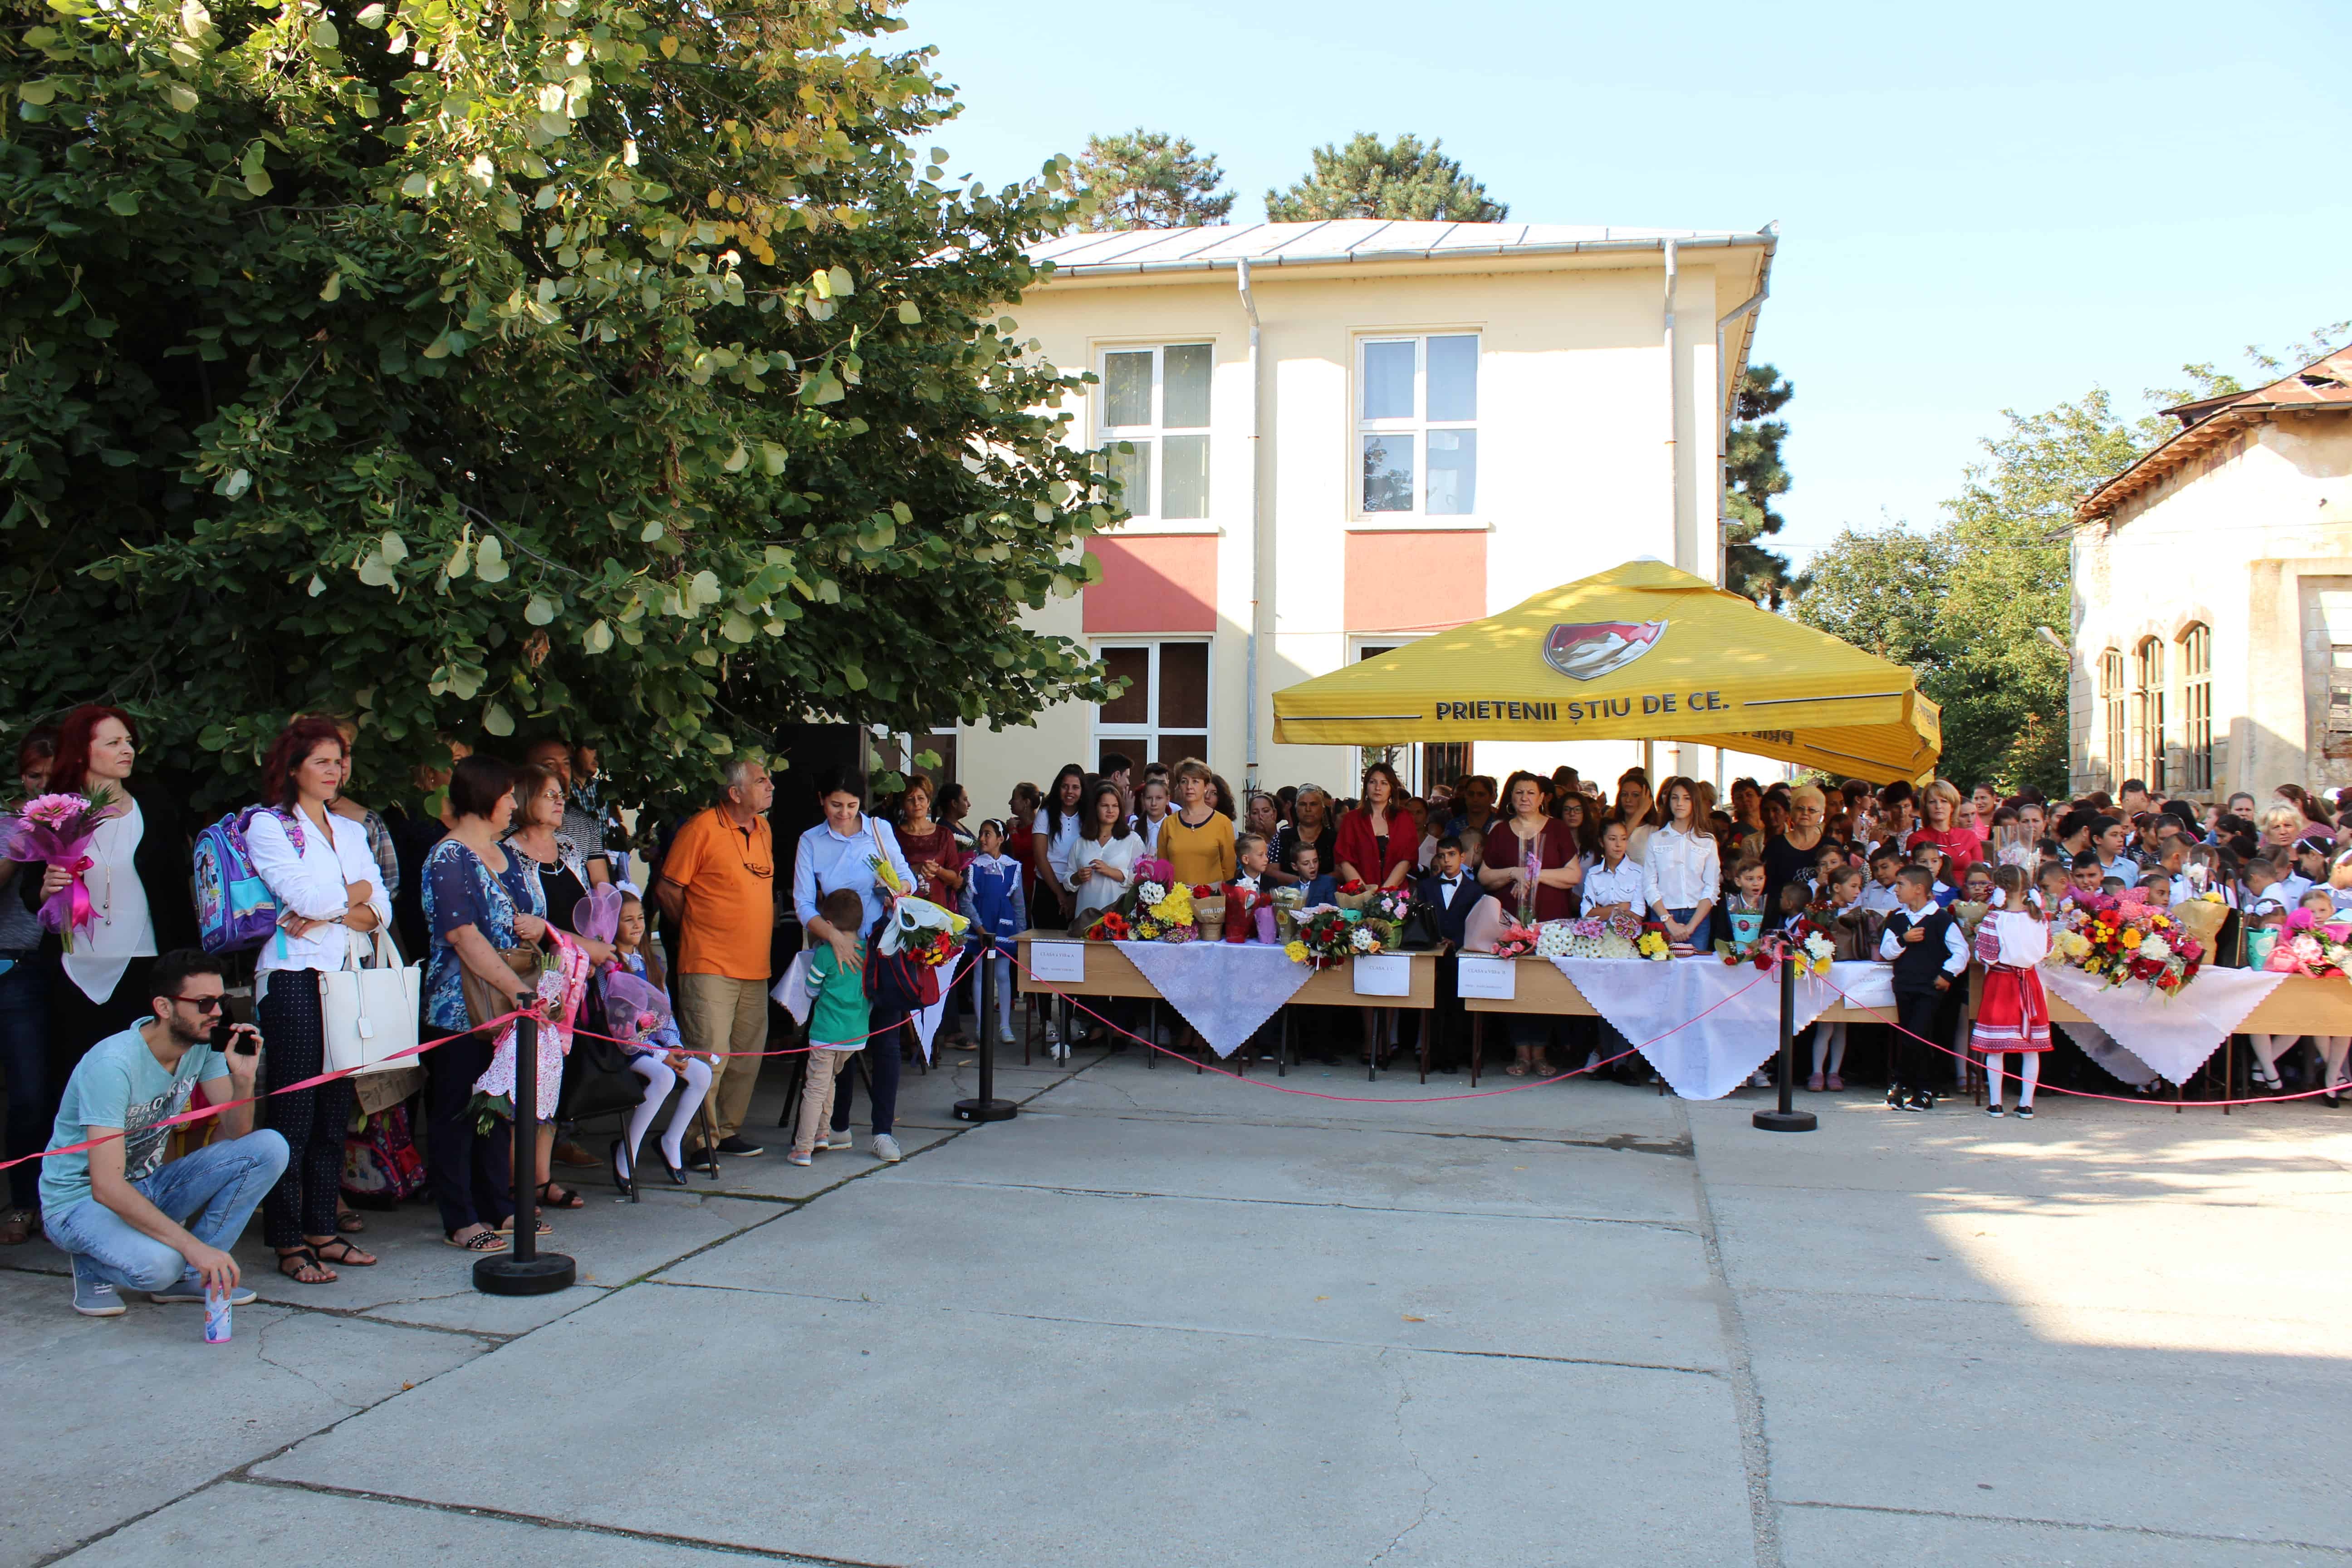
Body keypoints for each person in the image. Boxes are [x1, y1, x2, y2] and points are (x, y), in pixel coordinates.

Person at [39, 949, 288, 1316]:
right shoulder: (113, 1065)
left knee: (269, 1146)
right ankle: (94, 1265)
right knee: (160, 1268)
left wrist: (244, 1079)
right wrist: (193, 1247)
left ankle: (192, 1276)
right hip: (78, 1203)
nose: (217, 1013)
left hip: (145, 1186)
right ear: (164, 1007)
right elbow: (105, 1187)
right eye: (204, 1003)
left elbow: (239, 1131)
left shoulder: (202, 1046)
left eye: (220, 1002)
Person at [246, 716, 390, 1284]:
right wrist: (352, 898)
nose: (335, 771)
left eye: (340, 760)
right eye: (322, 761)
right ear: (294, 767)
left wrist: (340, 905)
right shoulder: (269, 825)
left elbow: (382, 907)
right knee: (294, 1113)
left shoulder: (352, 830)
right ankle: (287, 1239)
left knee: (334, 1112)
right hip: (293, 975)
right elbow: (305, 896)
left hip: (347, 974)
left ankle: (322, 1229)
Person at [36, 706, 200, 1095]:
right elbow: (33, 894)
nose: (127, 750)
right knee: (79, 1081)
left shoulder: (154, 803)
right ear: (81, 752)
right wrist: (48, 888)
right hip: (75, 967)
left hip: (147, 965)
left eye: (129, 741)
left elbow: (176, 890)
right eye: (113, 743)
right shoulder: (56, 810)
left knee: (144, 1082)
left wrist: (192, 968)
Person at [421, 756, 548, 1252]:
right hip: (461, 1008)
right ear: (485, 795)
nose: (515, 803)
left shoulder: (506, 853)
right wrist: (517, 990)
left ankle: (499, 1204)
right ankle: (460, 1217)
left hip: (510, 1007)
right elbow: (462, 934)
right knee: (456, 1111)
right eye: (508, 794)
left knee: (496, 1108)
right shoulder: (449, 857)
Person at [653, 758, 779, 1160]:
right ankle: (696, 1140)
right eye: (761, 781)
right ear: (735, 793)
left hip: (755, 965)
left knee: (745, 1058)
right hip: (709, 963)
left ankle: (726, 1131)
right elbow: (668, 890)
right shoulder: (701, 829)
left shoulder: (763, 829)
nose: (770, 786)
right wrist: (695, 929)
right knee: (710, 1056)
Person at [788, 769, 916, 1163]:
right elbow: (803, 902)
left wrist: (899, 891)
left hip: (880, 945)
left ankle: (883, 1131)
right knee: (839, 1037)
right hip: (838, 949)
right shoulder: (811, 840)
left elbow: (906, 876)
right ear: (822, 800)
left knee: (886, 1040)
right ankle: (836, 1125)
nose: (844, 814)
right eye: (835, 805)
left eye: (852, 806)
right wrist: (834, 937)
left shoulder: (878, 830)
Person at [507, 760, 616, 1183]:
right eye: (549, 795)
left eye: (561, 795)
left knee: (557, 1081)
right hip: (533, 982)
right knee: (526, 1084)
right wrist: (588, 948)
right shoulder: (507, 853)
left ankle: (541, 1178)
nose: (559, 802)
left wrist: (591, 947)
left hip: (575, 981)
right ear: (524, 800)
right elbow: (522, 926)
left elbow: (590, 910)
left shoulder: (570, 848)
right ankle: (517, 1184)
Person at [1476, 771, 1583, 1076]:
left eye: (1531, 793)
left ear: (1542, 798)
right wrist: (1514, 872)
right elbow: (1485, 877)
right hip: (1510, 924)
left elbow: (1573, 875)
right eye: (1519, 792)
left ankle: (1542, 1054)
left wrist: (1535, 874)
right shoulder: (1500, 831)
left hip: (1550, 923)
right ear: (1511, 797)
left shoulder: (1557, 829)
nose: (1525, 798)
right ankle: (1522, 1054)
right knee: (1517, 985)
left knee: (1543, 986)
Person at [609, 891, 712, 1187]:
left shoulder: (651, 962)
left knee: (702, 1073)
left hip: (656, 1046)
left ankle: (671, 1140)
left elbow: (663, 1012)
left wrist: (674, 1046)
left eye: (641, 918)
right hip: (627, 1049)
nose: (637, 925)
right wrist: (659, 1055)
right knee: (664, 1077)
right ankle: (627, 1149)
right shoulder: (609, 967)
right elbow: (618, 1026)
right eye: (627, 920)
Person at [0, 728, 58, 1245]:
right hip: (11, 964)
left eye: (53, 777)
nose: (43, 786)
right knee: (25, 1094)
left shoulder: (87, 822)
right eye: (34, 776)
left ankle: (38, 1201)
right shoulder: (8, 824)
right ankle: (21, 1203)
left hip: (51, 967)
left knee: (39, 1093)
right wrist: (25, 840)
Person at [787, 888, 871, 1168]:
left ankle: (803, 1147)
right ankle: (823, 1133)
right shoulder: (868, 952)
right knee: (829, 1082)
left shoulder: (825, 954)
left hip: (826, 1034)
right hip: (856, 1035)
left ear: (829, 926)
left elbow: (811, 990)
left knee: (814, 1088)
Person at [1879, 867, 1968, 1112]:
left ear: (1919, 889)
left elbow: (1961, 951)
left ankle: (1911, 1086)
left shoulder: (1942, 919)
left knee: (1917, 1035)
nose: (1896, 890)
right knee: (1909, 1035)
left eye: (1901, 885)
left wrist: (1948, 974)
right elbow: (1887, 951)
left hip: (1929, 988)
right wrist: (1903, 940)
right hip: (1904, 986)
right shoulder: (1897, 919)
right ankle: (1913, 1088)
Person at [1971, 865, 2052, 1119]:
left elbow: (1986, 955)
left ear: (1999, 889)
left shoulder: (1994, 919)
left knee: (1996, 1046)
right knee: (2031, 1048)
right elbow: (2047, 950)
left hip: (2001, 983)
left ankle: (1996, 1104)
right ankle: (2026, 1104)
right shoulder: (2039, 918)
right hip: (2029, 981)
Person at [963, 820, 1023, 1047]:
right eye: (981, 833)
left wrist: (1020, 935)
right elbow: (966, 901)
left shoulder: (1013, 867)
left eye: (987, 834)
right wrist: (979, 928)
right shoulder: (974, 867)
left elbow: (1018, 905)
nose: (982, 838)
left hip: (1004, 927)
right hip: (981, 926)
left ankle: (1005, 1025)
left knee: (1003, 975)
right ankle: (982, 1025)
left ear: (1000, 839)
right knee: (979, 974)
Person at [523, 737, 614, 887]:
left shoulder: (587, 825)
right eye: (550, 765)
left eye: (566, 764)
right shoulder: (510, 828)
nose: (562, 771)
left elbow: (601, 886)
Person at [1644, 777, 1720, 953]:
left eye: (1687, 798)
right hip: (1663, 914)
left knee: (1696, 966)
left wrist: (1691, 926)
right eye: (1675, 798)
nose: (1680, 803)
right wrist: (1668, 921)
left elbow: (1712, 886)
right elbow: (1649, 885)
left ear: (1695, 802)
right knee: (1661, 965)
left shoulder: (1707, 840)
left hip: (1697, 916)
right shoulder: (1656, 839)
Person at [1335, 763, 1419, 892]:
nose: (1378, 788)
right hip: (1359, 894)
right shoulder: (1352, 819)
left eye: (1384, 783)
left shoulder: (1404, 818)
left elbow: (1407, 859)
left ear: (1392, 789)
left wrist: (1384, 893)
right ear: (1366, 786)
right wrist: (1364, 893)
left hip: (1396, 895)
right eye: (1373, 782)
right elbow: (1344, 860)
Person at [1066, 782, 1142, 924]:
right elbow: (1068, 880)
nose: (1110, 810)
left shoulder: (1133, 840)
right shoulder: (1081, 842)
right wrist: (1078, 877)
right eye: (1105, 806)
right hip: (1086, 917)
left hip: (1118, 919)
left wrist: (1110, 871)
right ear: (1095, 808)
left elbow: (1140, 878)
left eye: (1115, 806)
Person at [895, 772, 967, 911]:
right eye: (910, 799)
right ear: (903, 804)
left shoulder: (944, 834)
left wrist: (938, 870)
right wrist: (916, 868)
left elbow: (955, 877)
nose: (917, 804)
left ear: (928, 802)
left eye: (921, 798)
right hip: (905, 906)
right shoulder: (894, 835)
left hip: (937, 906)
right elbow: (888, 873)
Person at [1159, 759, 1235, 887]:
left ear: (1206, 786)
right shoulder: (1168, 824)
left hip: (1211, 898)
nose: (1189, 787)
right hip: (1175, 898)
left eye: (1195, 781)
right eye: (1184, 781)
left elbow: (1229, 870)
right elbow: (1163, 868)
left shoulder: (1223, 823)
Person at [1029, 764, 1087, 931]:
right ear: (1058, 788)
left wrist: (1074, 897)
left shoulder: (1088, 816)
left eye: (1075, 787)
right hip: (1047, 888)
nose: (1070, 792)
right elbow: (1040, 858)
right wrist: (1061, 895)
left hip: (1079, 889)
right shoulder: (1045, 814)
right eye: (1065, 786)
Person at [1271, 784, 1336, 888]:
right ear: (1296, 808)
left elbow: (1342, 871)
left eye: (1314, 804)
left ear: (1323, 808)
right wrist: (1301, 883)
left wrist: (1316, 884)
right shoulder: (1281, 837)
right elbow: (1271, 871)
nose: (1308, 809)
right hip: (1288, 895)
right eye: (1303, 804)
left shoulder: (1336, 838)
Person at [1135, 776, 1173, 855]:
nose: (1154, 803)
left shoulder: (1175, 827)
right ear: (1143, 799)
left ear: (1168, 800)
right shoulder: (1133, 827)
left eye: (1159, 798)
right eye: (1149, 798)